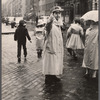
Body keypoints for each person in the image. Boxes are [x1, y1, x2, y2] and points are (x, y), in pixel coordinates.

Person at [42, 6, 64, 83]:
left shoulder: (59, 24)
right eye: (56, 13)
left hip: (57, 46)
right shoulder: (51, 24)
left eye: (59, 13)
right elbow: (47, 27)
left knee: (55, 61)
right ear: (52, 14)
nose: (58, 15)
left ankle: (54, 75)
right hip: (50, 46)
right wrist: (50, 20)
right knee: (49, 61)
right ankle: (48, 77)